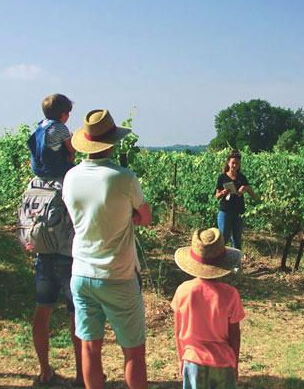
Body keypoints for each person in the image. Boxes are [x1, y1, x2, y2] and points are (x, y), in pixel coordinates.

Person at [63, 109, 152, 389]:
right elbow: (146, 218)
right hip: (118, 275)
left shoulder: (70, 177)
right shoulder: (123, 177)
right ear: (112, 142)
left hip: (81, 273)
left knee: (90, 348)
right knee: (133, 351)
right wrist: (131, 216)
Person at [26, 93, 81, 385]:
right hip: (68, 252)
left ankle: (45, 370)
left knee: (42, 311)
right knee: (77, 315)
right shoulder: (60, 133)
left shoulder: (37, 129)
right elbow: (72, 151)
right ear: (64, 114)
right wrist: (71, 154)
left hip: (42, 251)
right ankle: (83, 373)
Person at [171, 228, 245, 389]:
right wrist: (235, 363)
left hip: (192, 360)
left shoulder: (183, 291)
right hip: (223, 362)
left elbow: (178, 331)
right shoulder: (230, 294)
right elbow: (234, 334)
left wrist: (181, 358)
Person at [28, 93, 77, 180]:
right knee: (75, 170)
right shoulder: (60, 127)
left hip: (36, 169)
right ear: (63, 115)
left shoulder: (41, 125)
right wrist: (71, 137)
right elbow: (72, 149)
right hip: (53, 169)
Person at [215, 149, 255, 250]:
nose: (234, 165)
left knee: (237, 240)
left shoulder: (242, 177)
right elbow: (217, 195)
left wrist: (244, 188)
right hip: (225, 211)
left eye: (237, 163)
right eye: (233, 163)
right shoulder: (222, 177)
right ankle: (220, 263)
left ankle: (236, 265)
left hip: (239, 212)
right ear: (228, 162)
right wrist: (223, 192)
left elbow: (252, 193)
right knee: (222, 240)